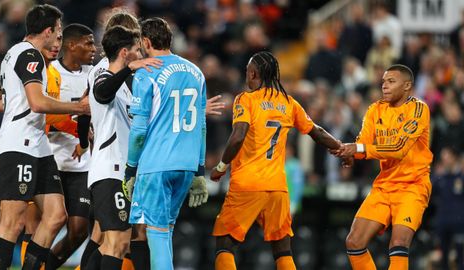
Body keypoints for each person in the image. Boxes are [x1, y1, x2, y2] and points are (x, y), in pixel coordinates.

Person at [209, 51, 342, 270]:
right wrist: (340, 148)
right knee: (282, 249)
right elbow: (316, 131)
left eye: (247, 72)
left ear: (253, 73)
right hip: (278, 188)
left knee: (225, 243)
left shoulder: (246, 99)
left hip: (248, 185)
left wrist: (221, 166)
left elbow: (238, 136)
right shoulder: (289, 103)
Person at [0, 4, 89, 270]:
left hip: (38, 147)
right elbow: (38, 102)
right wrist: (79, 107)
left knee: (55, 216)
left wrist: (14, 107)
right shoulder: (29, 55)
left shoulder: (14, 55)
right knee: (13, 221)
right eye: (58, 34)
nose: (59, 39)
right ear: (47, 30)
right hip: (20, 145)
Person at [125, 17, 208, 270]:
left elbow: (139, 130)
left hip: (156, 163)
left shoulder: (147, 72)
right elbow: (201, 126)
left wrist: (131, 168)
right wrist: (200, 171)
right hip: (186, 165)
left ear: (146, 42)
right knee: (166, 231)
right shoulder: (196, 72)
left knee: (156, 233)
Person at [332, 64, 433, 270]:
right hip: (384, 186)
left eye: (391, 82)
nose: (384, 86)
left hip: (412, 186)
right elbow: (364, 142)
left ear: (407, 86)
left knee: (398, 242)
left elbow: (398, 148)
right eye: (383, 82)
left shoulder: (418, 109)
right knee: (354, 242)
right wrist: (351, 155)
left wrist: (358, 148)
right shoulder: (375, 109)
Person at [86, 25, 162, 270]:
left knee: (124, 240)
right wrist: (129, 69)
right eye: (136, 50)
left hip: (123, 173)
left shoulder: (126, 90)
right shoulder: (103, 76)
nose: (140, 55)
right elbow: (101, 93)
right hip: (109, 171)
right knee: (117, 243)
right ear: (124, 53)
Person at [45, 23, 96, 269]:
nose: (94, 48)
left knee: (78, 231)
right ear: (71, 45)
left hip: (81, 166)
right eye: (88, 43)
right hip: (50, 159)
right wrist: (79, 130)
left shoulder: (95, 74)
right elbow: (43, 117)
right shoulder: (50, 72)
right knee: (44, 224)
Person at [432, 147, 464, 270]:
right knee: (443, 257)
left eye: (447, 156)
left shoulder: (461, 177)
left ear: (453, 157)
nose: (444, 160)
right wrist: (435, 175)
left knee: (460, 257)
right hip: (443, 221)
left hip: (460, 222)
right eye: (442, 157)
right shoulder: (440, 178)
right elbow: (429, 193)